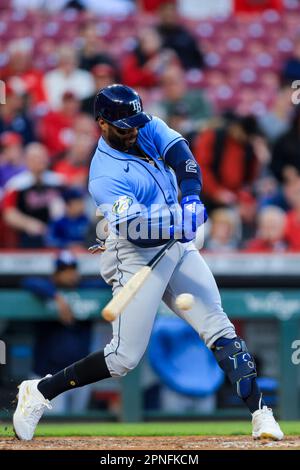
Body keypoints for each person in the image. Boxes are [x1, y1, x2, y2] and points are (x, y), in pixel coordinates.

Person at [13, 84, 283, 441]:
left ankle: (261, 414)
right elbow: (137, 233)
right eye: (124, 126)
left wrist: (190, 199)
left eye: (136, 123)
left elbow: (183, 156)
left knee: (219, 326)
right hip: (134, 253)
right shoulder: (104, 176)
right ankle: (40, 391)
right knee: (123, 359)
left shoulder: (145, 125)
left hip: (178, 242)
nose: (134, 131)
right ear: (102, 124)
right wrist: (177, 224)